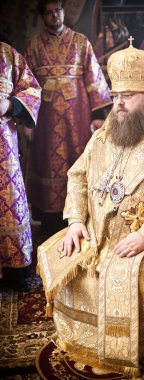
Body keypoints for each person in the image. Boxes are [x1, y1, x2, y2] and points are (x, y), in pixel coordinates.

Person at [37, 39, 144, 377]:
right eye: (115, 97)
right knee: (69, 264)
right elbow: (78, 175)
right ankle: (91, 346)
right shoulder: (109, 129)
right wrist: (77, 220)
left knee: (140, 280)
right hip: (97, 235)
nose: (119, 105)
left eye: (127, 97)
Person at [25, 0, 112, 235]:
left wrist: (98, 116)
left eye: (58, 10)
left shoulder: (80, 42)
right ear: (43, 17)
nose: (55, 15)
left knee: (78, 158)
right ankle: (49, 221)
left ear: (63, 11)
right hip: (45, 118)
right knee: (47, 164)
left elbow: (94, 79)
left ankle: (79, 216)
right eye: (49, 12)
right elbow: (27, 86)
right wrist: (27, 121)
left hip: (78, 116)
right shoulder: (33, 46)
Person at [0, 41, 41, 289]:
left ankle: (15, 271)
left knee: (10, 201)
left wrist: (9, 105)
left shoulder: (7, 53)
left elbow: (31, 89)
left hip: (3, 145)